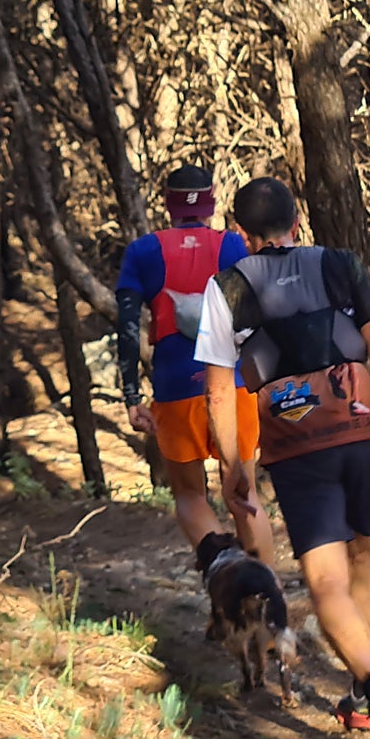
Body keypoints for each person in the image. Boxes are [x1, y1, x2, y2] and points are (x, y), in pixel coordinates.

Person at [194, 176, 370, 739]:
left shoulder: (226, 288)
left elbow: (221, 392)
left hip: (298, 445)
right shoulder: (341, 264)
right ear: (296, 225)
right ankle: (360, 693)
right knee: (363, 556)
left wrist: (235, 467)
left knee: (324, 581)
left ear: (242, 237)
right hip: (364, 429)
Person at [116, 165, 276, 566]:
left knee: (189, 496)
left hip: (175, 388)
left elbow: (126, 326)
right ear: (212, 198)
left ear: (168, 201)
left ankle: (224, 569)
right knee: (245, 493)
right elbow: (258, 318)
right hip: (235, 385)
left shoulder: (142, 251)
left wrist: (132, 395)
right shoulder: (234, 247)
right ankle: (266, 594)